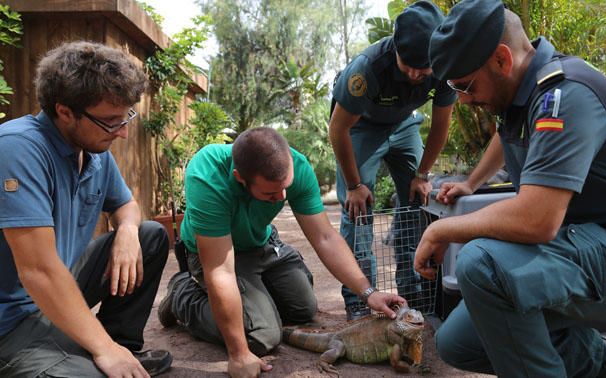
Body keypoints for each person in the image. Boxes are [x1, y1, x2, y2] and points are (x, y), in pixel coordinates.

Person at [415, 1, 606, 377]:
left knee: (483, 265)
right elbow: (506, 137)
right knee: (459, 342)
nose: (463, 99)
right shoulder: (521, 96)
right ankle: (601, 360)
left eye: (465, 85)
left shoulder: (565, 94)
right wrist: (471, 183)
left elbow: (537, 219)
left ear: (501, 60)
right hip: (578, 246)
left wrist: (441, 228)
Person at [157, 127, 406, 378]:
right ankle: (182, 294)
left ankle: (255, 301)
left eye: (285, 188)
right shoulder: (207, 174)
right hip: (215, 253)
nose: (281, 197)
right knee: (262, 336)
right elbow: (220, 270)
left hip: (262, 243)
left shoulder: (296, 165)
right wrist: (239, 354)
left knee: (303, 310)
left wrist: (368, 293)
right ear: (240, 178)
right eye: (270, 193)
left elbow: (325, 237)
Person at [0, 41, 172, 377]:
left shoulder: (93, 150)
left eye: (126, 118)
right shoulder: (17, 149)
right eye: (111, 121)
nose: (122, 132)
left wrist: (125, 230)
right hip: (12, 319)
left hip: (54, 289)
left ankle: (120, 348)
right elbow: (38, 271)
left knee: (148, 236)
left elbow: (126, 204)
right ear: (65, 111)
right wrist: (102, 350)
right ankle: (100, 354)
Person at [329, 0, 456, 320]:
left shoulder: (444, 64)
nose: (415, 74)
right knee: (358, 210)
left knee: (417, 200)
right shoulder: (367, 68)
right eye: (407, 64)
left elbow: (441, 124)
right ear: (395, 48)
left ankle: (413, 292)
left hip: (403, 125)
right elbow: (338, 128)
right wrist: (355, 185)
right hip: (361, 127)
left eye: (422, 66)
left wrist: (422, 173)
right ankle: (360, 300)